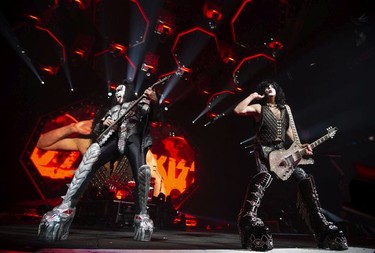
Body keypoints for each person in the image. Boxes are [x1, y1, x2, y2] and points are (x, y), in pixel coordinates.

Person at [38, 80, 160, 242]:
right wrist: (104, 123)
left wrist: (153, 100)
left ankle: (142, 214)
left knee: (141, 172)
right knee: (89, 161)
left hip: (132, 139)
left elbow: (151, 115)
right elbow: (99, 128)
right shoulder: (111, 109)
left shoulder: (137, 104)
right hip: (114, 140)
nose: (117, 94)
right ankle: (66, 207)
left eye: (120, 91)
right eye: (116, 91)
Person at [233, 80, 348, 251]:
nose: (268, 88)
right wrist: (252, 96)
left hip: (282, 151)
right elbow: (238, 110)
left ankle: (319, 223)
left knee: (304, 177)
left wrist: (302, 148)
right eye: (265, 87)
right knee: (264, 176)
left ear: (277, 90)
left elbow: (291, 132)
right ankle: (247, 217)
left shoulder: (285, 108)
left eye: (271, 86)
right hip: (264, 150)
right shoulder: (259, 108)